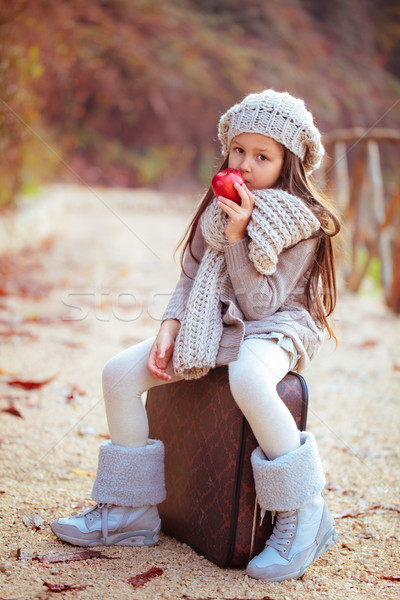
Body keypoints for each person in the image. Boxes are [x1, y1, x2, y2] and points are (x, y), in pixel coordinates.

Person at [51, 89, 341, 582]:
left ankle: (303, 513)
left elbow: (261, 304)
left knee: (249, 379)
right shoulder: (218, 205)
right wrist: (170, 326)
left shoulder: (301, 224)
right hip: (215, 320)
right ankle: (128, 513)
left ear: (288, 163)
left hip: (275, 325)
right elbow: (189, 277)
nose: (246, 165)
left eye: (263, 156)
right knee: (119, 373)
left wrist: (238, 240)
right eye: (239, 151)